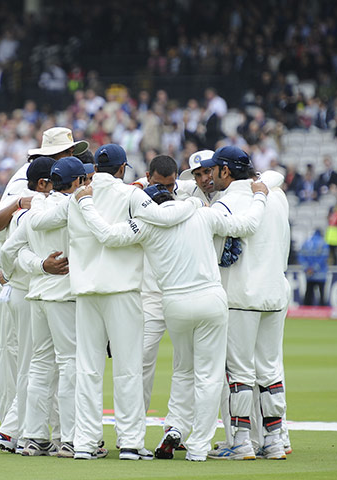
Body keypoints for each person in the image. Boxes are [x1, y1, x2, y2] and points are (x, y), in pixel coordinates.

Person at [74, 179, 269, 461]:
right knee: (209, 375)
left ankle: (176, 424)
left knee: (183, 370)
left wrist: (85, 202)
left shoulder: (147, 225)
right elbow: (247, 225)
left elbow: (106, 235)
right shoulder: (202, 213)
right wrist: (260, 196)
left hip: (175, 303)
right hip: (211, 298)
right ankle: (199, 447)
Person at [66, 144, 200, 461]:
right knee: (128, 369)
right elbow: (163, 218)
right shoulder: (130, 195)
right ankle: (129, 442)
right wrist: (194, 204)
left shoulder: (77, 195)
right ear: (123, 168)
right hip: (122, 291)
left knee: (87, 368)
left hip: (86, 291)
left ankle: (84, 442)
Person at [0, 127, 87, 453]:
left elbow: (7, 250)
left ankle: (32, 437)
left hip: (33, 290)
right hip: (47, 292)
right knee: (63, 364)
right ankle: (66, 438)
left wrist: (33, 266)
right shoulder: (39, 195)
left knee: (39, 364)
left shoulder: (35, 207)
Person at [199, 146, 291, 461]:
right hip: (275, 292)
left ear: (226, 171)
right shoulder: (275, 196)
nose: (209, 176)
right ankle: (275, 440)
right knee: (270, 369)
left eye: (214, 170)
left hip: (240, 295)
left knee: (239, 372)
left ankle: (241, 440)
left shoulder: (226, 203)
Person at [0, 156, 58, 455]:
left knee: (31, 365)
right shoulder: (31, 210)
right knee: (32, 367)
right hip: (26, 291)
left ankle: (18, 431)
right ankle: (14, 431)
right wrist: (10, 272)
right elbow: (8, 249)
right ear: (43, 183)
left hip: (21, 290)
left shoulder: (28, 208)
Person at [298, 230, 329, 306]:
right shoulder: (323, 243)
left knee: (309, 293)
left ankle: (306, 312)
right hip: (321, 273)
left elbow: (301, 256)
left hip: (309, 274)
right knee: (322, 294)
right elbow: (324, 258)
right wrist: (315, 268)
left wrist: (307, 268)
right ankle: (323, 310)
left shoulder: (306, 243)